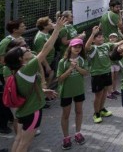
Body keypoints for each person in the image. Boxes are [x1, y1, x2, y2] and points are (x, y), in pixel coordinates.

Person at [3, 16, 66, 152]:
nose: (27, 49)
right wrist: (57, 30)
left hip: (23, 111)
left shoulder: (18, 71)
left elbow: (25, 88)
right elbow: (46, 48)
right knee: (24, 144)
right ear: (21, 59)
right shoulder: (27, 68)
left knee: (19, 139)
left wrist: (43, 91)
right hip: (32, 112)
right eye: (24, 50)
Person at [85, 26, 123, 124]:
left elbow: (116, 44)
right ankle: (96, 113)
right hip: (97, 74)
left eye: (101, 36)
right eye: (98, 37)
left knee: (105, 92)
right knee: (98, 95)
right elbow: (86, 47)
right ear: (93, 40)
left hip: (107, 72)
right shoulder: (93, 48)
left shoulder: (106, 45)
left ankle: (102, 109)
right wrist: (92, 33)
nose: (101, 38)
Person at [57, 38, 89, 149]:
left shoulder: (82, 59)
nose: (77, 49)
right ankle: (66, 137)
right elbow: (60, 79)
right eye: (75, 46)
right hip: (66, 92)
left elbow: (85, 73)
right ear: (70, 47)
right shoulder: (63, 61)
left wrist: (77, 67)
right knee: (66, 115)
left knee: (79, 111)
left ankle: (78, 133)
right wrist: (70, 68)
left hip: (79, 90)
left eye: (79, 47)